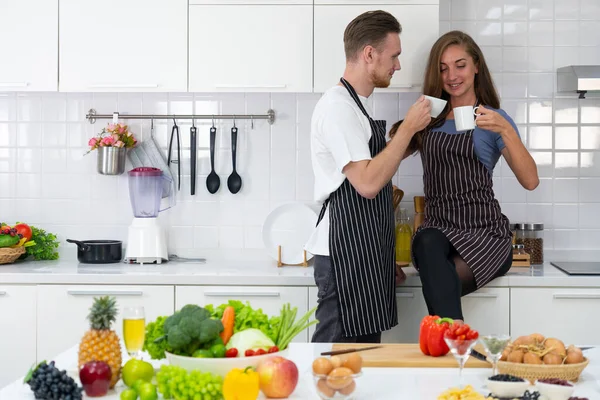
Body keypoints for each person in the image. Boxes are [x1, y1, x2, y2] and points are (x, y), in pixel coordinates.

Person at [389, 30, 539, 323]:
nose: (451, 75)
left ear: (476, 66)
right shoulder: (427, 120)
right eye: (443, 68)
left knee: (438, 283)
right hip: (439, 230)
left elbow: (530, 181)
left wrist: (505, 129)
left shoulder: (494, 120)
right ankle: (457, 344)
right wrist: (409, 124)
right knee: (427, 241)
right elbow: (385, 160)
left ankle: (447, 346)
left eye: (460, 65)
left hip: (485, 233)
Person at [305, 10, 432, 343]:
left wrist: (379, 255)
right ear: (369, 54)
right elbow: (367, 183)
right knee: (332, 362)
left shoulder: (355, 106)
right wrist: (407, 129)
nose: (398, 65)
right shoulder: (338, 108)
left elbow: (373, 168)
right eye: (394, 56)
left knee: (360, 362)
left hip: (361, 252)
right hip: (342, 255)